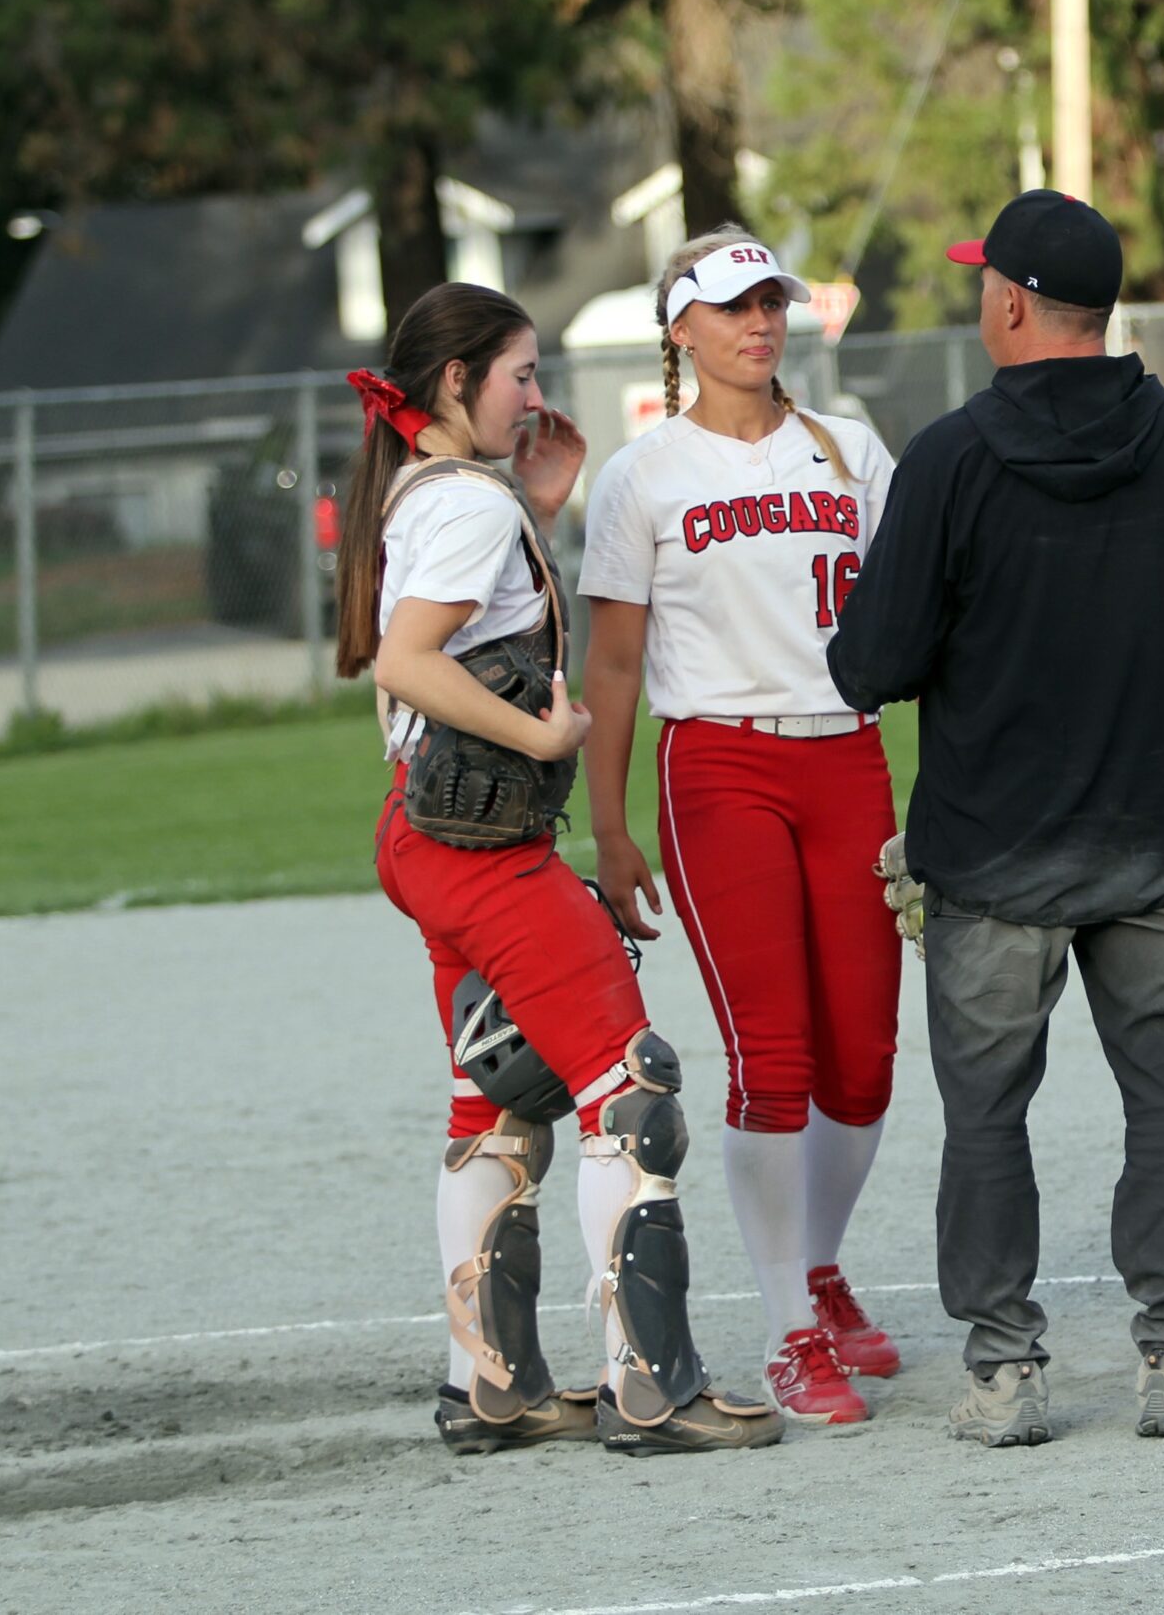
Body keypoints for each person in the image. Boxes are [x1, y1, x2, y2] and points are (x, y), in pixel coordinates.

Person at [826, 189, 1164, 1448]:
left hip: (991, 851)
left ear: (1014, 305)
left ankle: (1003, 1372)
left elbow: (868, 665)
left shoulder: (950, 458)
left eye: (987, 280)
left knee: (987, 1115)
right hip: (1157, 839)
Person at [340, 281, 778, 1455]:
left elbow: (460, 624)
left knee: (493, 1102)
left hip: (424, 836)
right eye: (519, 374)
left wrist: (532, 503)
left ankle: (490, 1384)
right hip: (482, 853)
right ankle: (653, 1388)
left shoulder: (433, 488)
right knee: (628, 1093)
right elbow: (407, 658)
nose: (535, 396)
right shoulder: (464, 506)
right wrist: (541, 740)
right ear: (455, 382)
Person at [580, 227, 905, 1427]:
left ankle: (817, 1266)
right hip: (720, 764)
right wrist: (610, 828)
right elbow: (614, 664)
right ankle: (787, 1334)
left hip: (849, 756)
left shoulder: (850, 448)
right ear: (682, 329)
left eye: (770, 301)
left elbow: (920, 610)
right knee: (773, 1058)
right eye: (732, 306)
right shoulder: (644, 474)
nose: (759, 323)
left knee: (863, 1061)